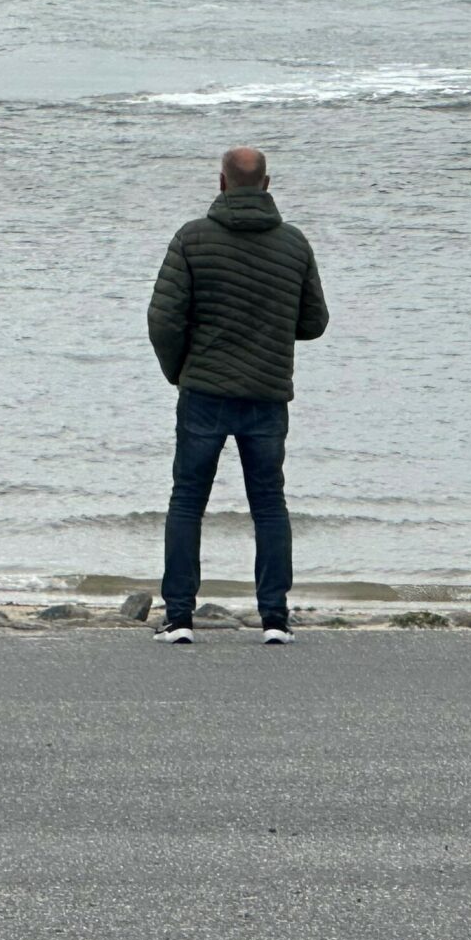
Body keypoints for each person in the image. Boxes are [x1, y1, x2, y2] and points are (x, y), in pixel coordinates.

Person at [146, 146, 330, 646]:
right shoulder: (294, 244)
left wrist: (178, 372)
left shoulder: (191, 238)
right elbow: (314, 323)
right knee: (269, 504)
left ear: (222, 183)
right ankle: (275, 620)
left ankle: (180, 618)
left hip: (203, 389)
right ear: (266, 184)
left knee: (187, 501)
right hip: (267, 393)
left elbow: (163, 318)